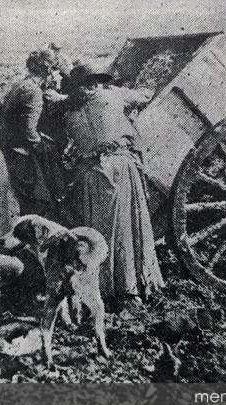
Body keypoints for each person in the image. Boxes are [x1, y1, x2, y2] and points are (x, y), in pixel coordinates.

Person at [62, 60, 164, 305]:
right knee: (124, 229)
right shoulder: (112, 96)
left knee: (100, 232)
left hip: (89, 176)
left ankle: (103, 287)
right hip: (118, 169)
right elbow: (145, 96)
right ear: (93, 84)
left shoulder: (68, 113)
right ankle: (130, 287)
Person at [0, 48, 64, 217]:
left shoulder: (21, 85)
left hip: (9, 150)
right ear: (48, 71)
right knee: (36, 203)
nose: (58, 75)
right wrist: (46, 149)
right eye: (56, 70)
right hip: (21, 156)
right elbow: (29, 132)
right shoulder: (33, 92)